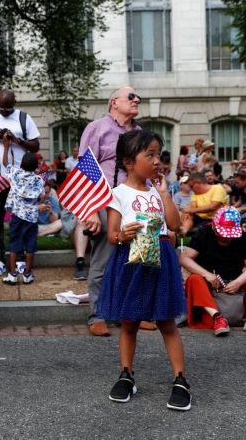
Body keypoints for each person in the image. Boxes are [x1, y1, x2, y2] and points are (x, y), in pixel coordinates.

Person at [96, 129, 190, 411]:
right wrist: (123, 235)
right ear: (128, 162)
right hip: (131, 260)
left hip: (161, 258)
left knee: (166, 322)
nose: (156, 161)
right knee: (129, 322)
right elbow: (112, 234)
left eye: (158, 155)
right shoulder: (118, 193)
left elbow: (174, 226)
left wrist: (164, 196)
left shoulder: (159, 190)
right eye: (149, 155)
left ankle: (181, 379)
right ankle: (126, 374)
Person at [77, 86, 142, 337]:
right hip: (104, 200)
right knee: (103, 260)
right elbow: (86, 168)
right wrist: (90, 210)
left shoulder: (139, 132)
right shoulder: (97, 128)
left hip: (133, 202)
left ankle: (132, 314)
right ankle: (98, 315)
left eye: (138, 98)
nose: (137, 100)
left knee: (136, 259)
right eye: (131, 97)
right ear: (114, 102)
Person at [180, 206, 246, 336]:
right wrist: (207, 274)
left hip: (236, 284)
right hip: (209, 287)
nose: (227, 238)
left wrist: (238, 282)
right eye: (223, 234)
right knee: (194, 279)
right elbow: (184, 258)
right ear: (214, 227)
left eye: (230, 235)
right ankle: (217, 317)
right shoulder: (204, 233)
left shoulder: (242, 237)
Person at [0, 89, 40, 277]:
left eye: (8, 107)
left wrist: (17, 140)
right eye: (1, 107)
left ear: (15, 103)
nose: (4, 111)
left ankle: (19, 258)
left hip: (18, 181)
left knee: (19, 221)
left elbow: (35, 145)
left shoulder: (23, 118)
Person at [1, 144, 43, 285]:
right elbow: (41, 197)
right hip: (32, 218)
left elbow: (5, 163)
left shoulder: (15, 174)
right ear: (35, 166)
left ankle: (12, 274)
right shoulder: (38, 180)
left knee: (14, 243)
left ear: (22, 164)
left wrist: (6, 148)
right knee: (30, 245)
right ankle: (27, 274)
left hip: (17, 216)